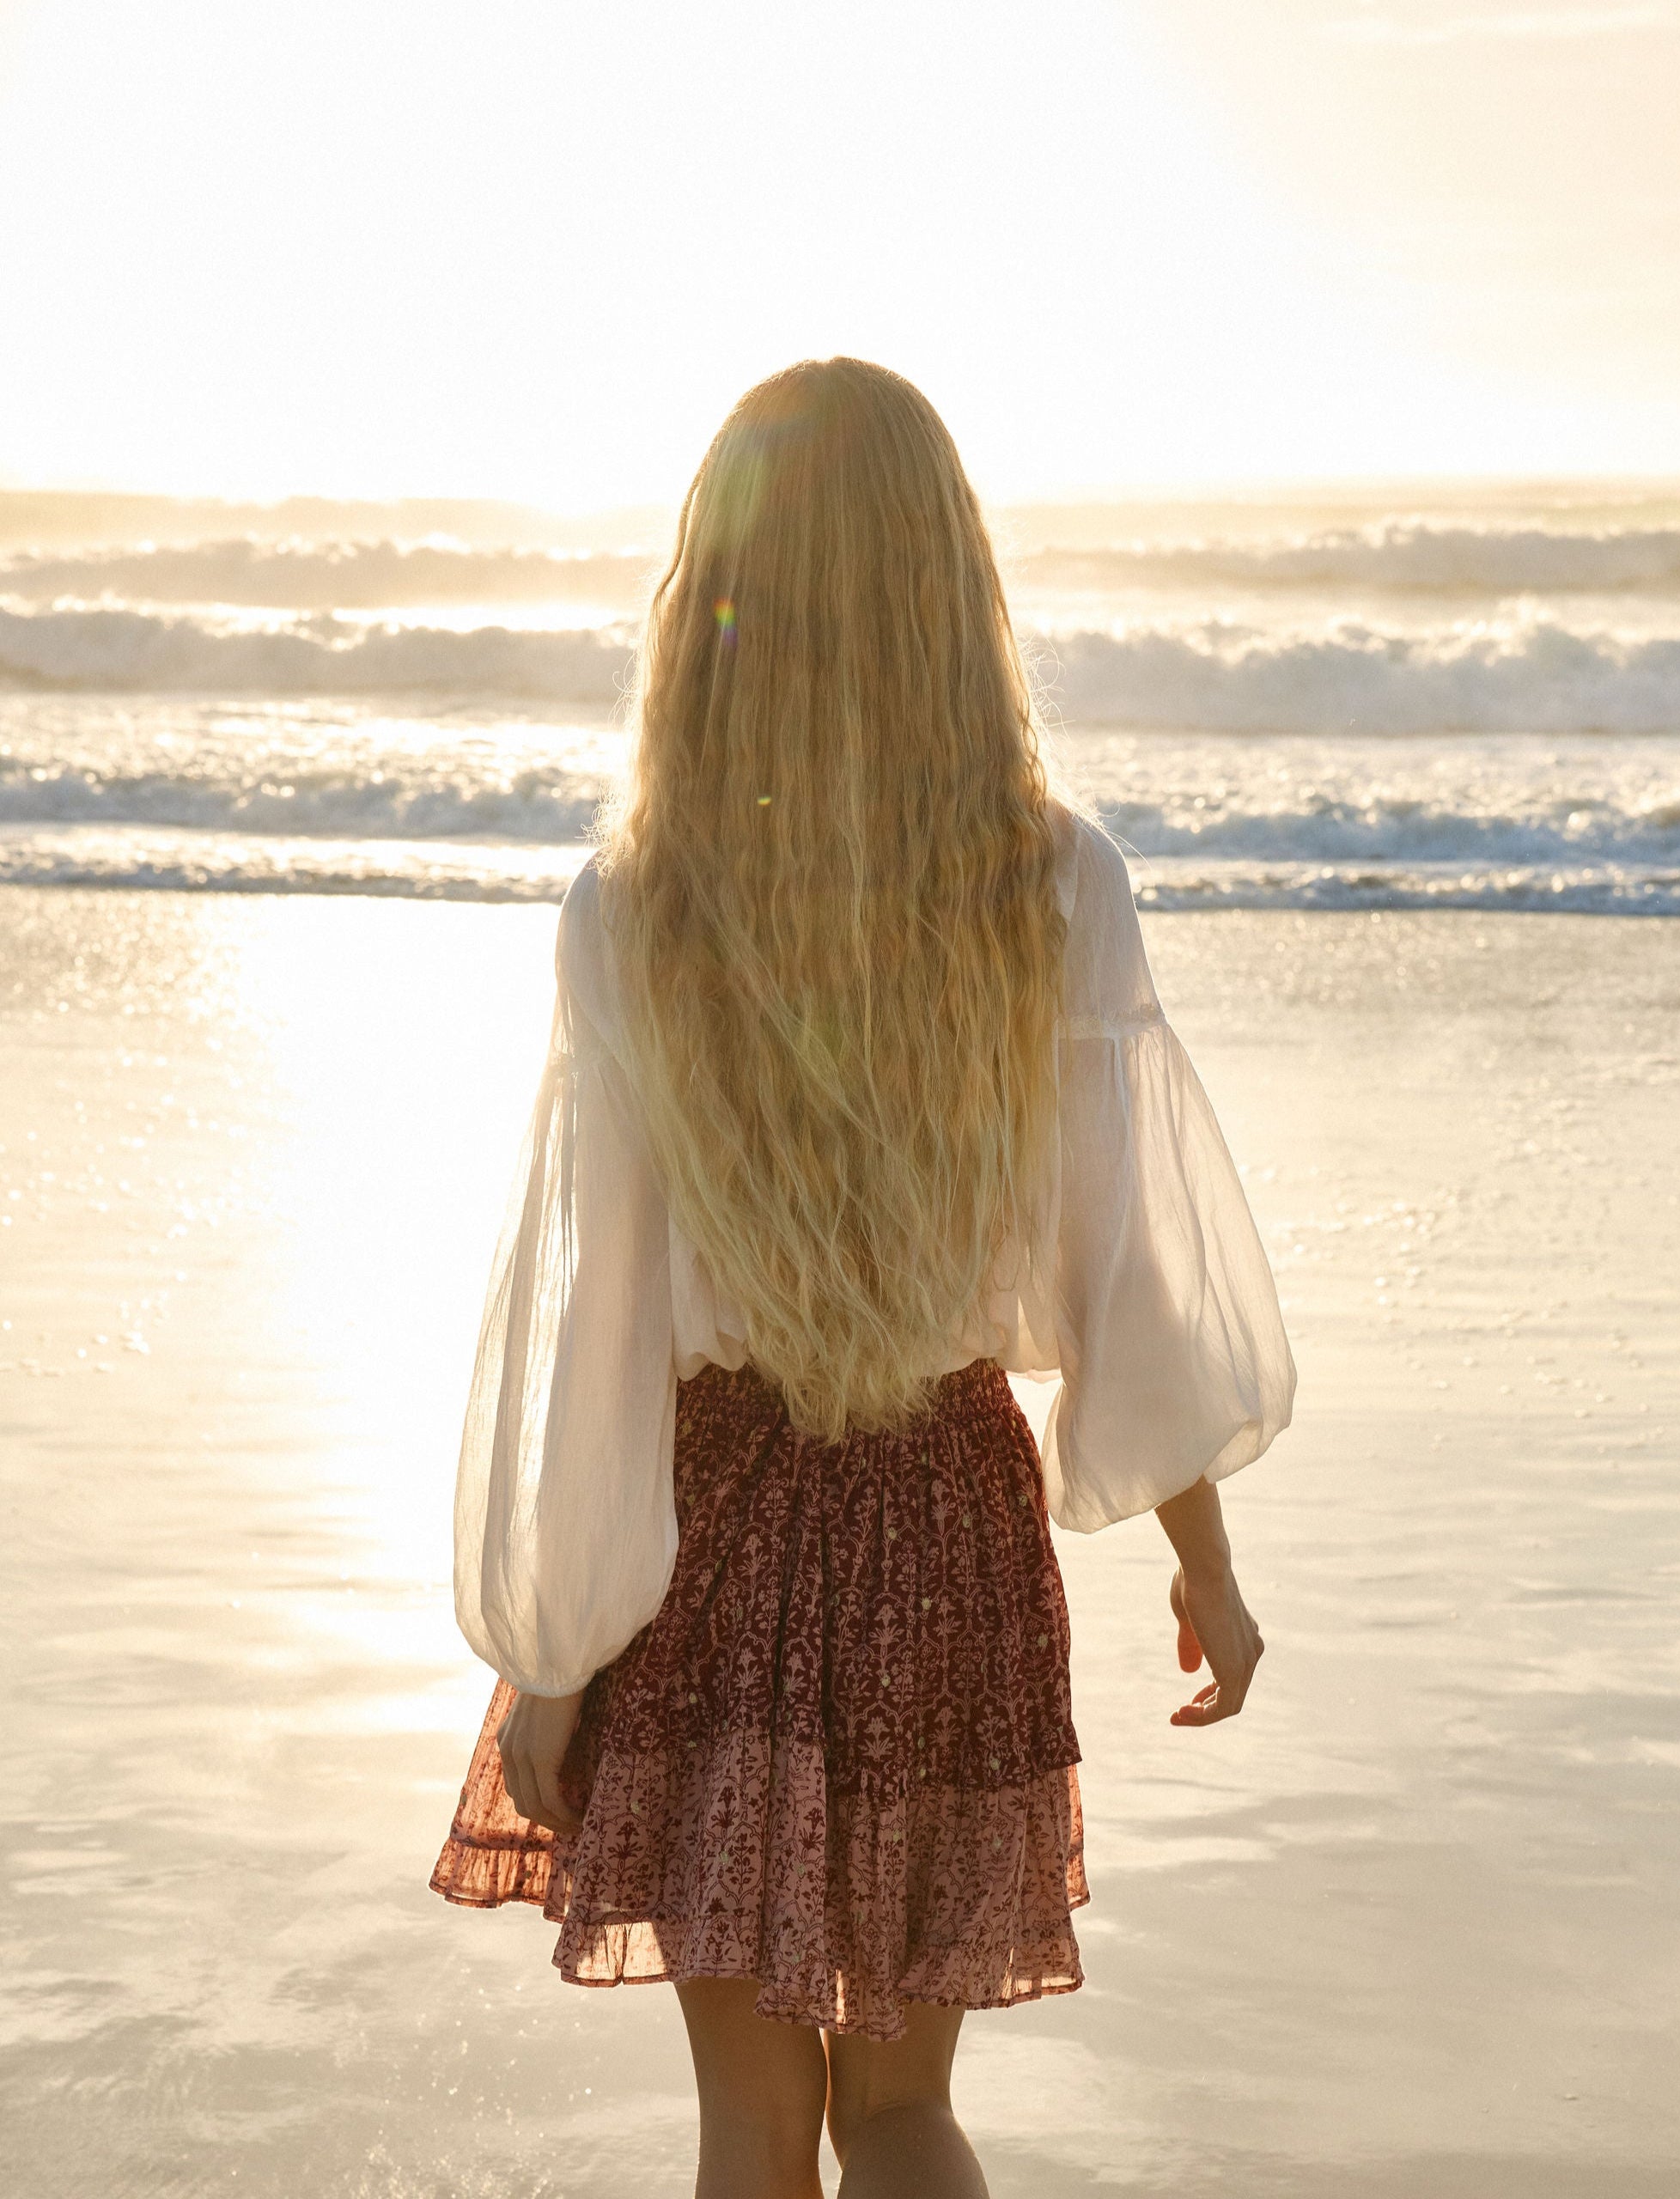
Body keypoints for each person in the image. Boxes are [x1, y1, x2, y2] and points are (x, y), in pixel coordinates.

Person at [429, 356, 1295, 2198]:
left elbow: (590, 1328)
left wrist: (550, 1657)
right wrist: (1205, 1570)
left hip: (719, 1537)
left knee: (749, 2123)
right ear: (950, 590)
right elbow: (1126, 1271)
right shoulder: (1049, 882)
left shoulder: (638, 904)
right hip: (947, 1531)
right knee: (903, 2111)